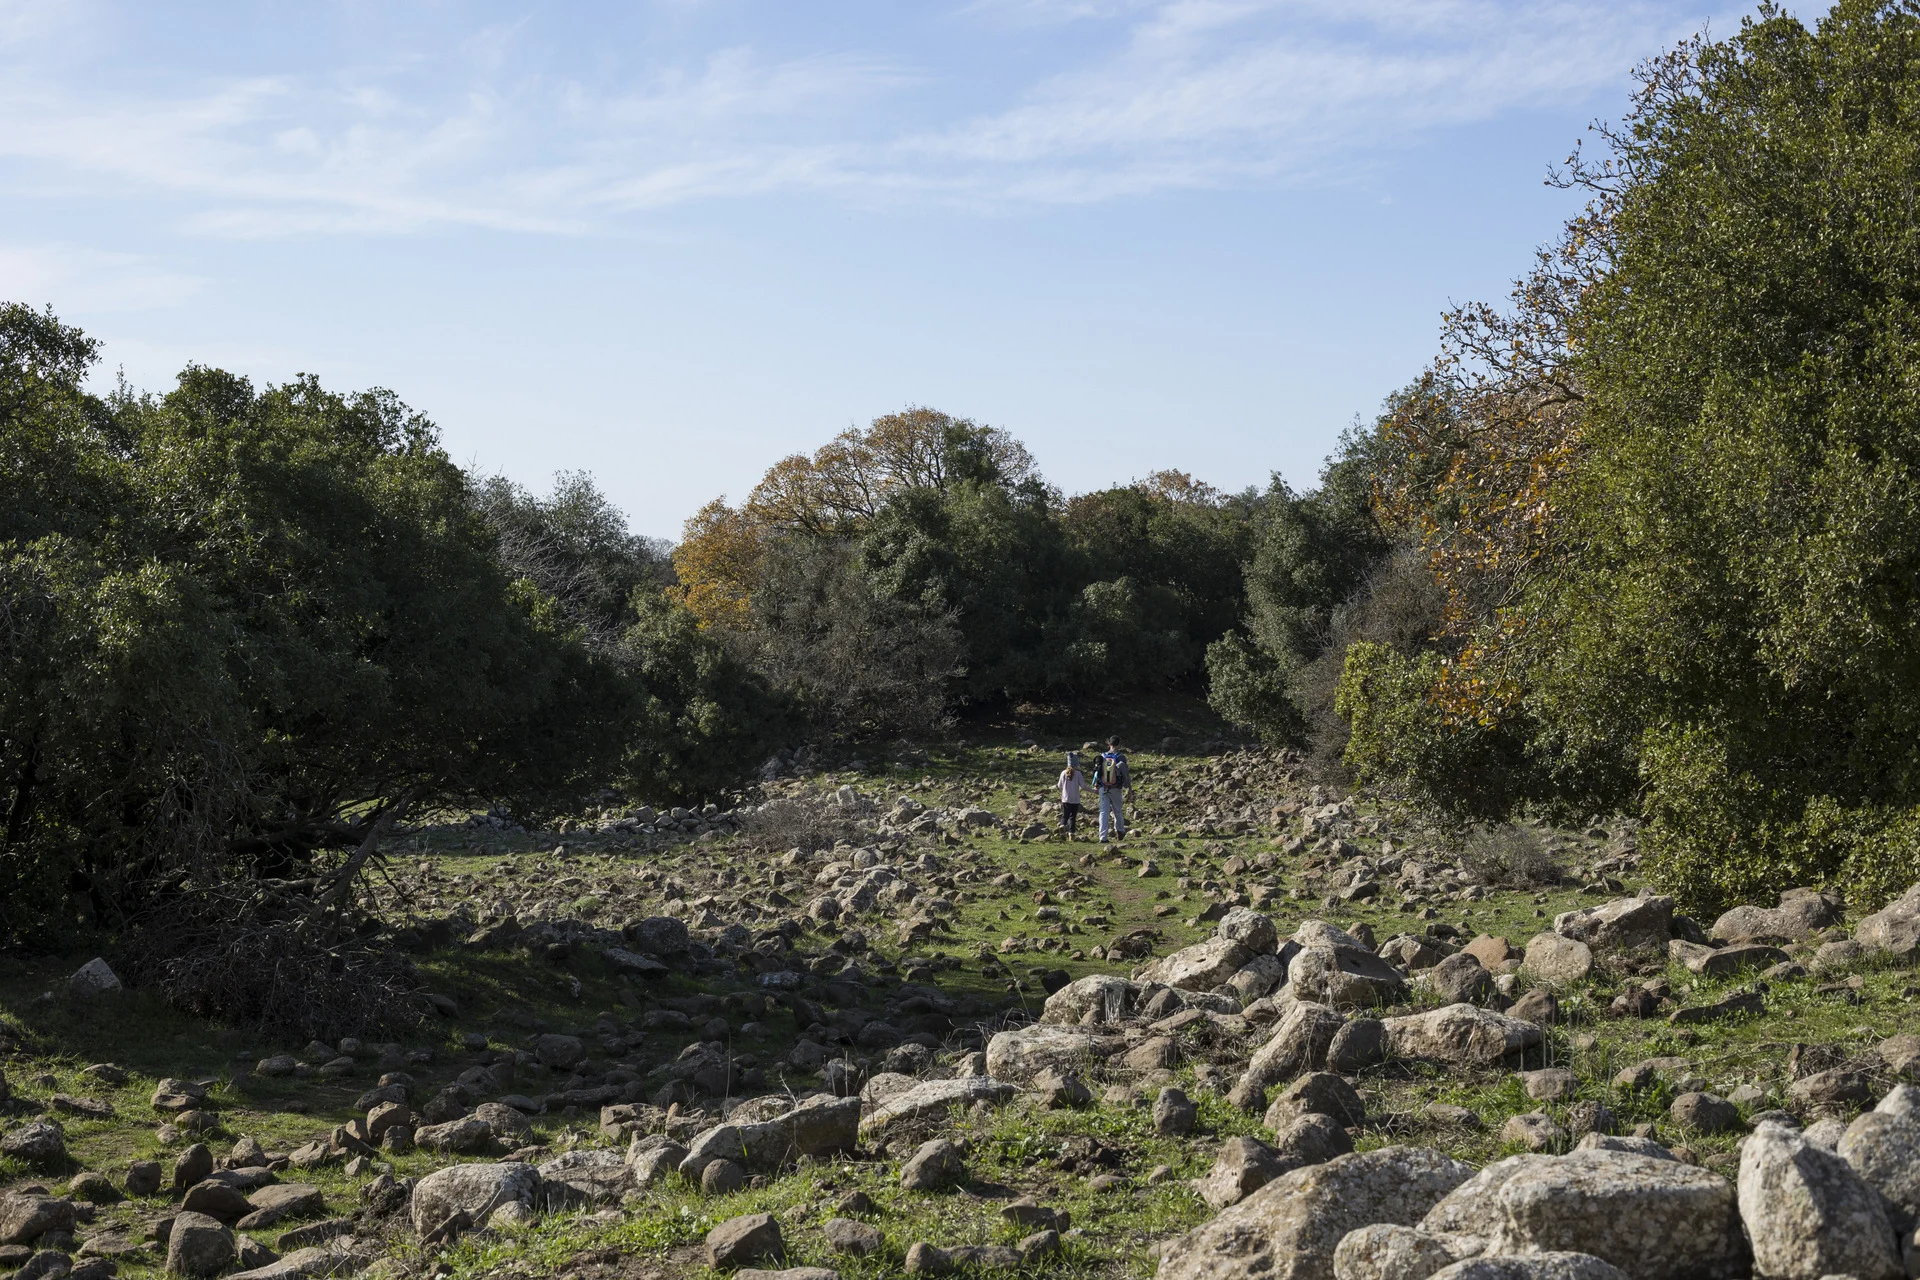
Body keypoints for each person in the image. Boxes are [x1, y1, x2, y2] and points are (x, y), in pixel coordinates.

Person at [1094, 736, 1131, 842]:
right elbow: (1125, 774)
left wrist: (1097, 785)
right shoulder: (1121, 757)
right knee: (1117, 811)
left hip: (1103, 788)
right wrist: (1129, 788)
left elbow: (1097, 772)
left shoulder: (1102, 756)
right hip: (1116, 788)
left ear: (1109, 744)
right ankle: (1120, 830)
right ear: (1119, 745)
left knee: (1103, 812)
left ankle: (1103, 837)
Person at [1058, 752, 1085, 840]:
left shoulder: (1063, 773)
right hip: (1075, 799)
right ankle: (1071, 834)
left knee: (1065, 816)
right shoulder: (1078, 774)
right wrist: (1094, 791)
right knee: (1072, 817)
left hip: (1066, 799)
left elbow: (1059, 786)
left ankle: (1062, 825)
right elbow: (1083, 786)